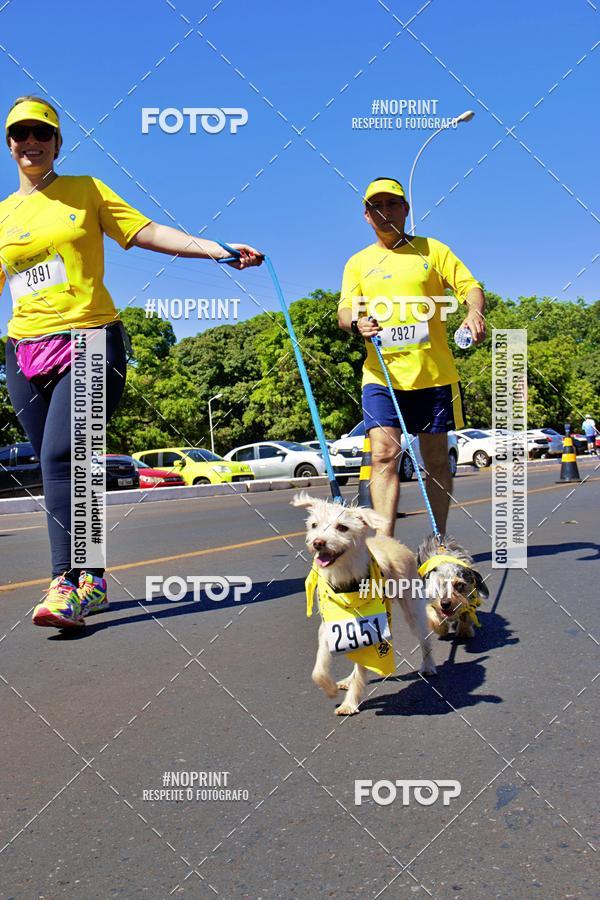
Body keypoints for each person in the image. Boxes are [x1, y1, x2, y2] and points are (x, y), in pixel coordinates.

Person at [0, 95, 262, 629]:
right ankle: (90, 583)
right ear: (9, 144)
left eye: (41, 134)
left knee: (59, 457)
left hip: (90, 339)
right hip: (24, 349)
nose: (31, 142)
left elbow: (145, 233)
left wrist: (214, 247)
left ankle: (65, 583)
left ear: (57, 143)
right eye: (21, 134)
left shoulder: (86, 191)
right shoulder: (3, 213)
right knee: (69, 471)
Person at [338, 177, 485, 536]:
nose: (385, 213)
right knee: (384, 457)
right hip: (381, 376)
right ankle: (385, 547)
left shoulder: (432, 251)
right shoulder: (358, 263)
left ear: (405, 209)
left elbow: (471, 287)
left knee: (435, 460)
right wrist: (357, 323)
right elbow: (344, 311)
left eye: (392, 205)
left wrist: (474, 313)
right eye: (377, 207)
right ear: (366, 216)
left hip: (434, 376)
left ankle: (438, 541)